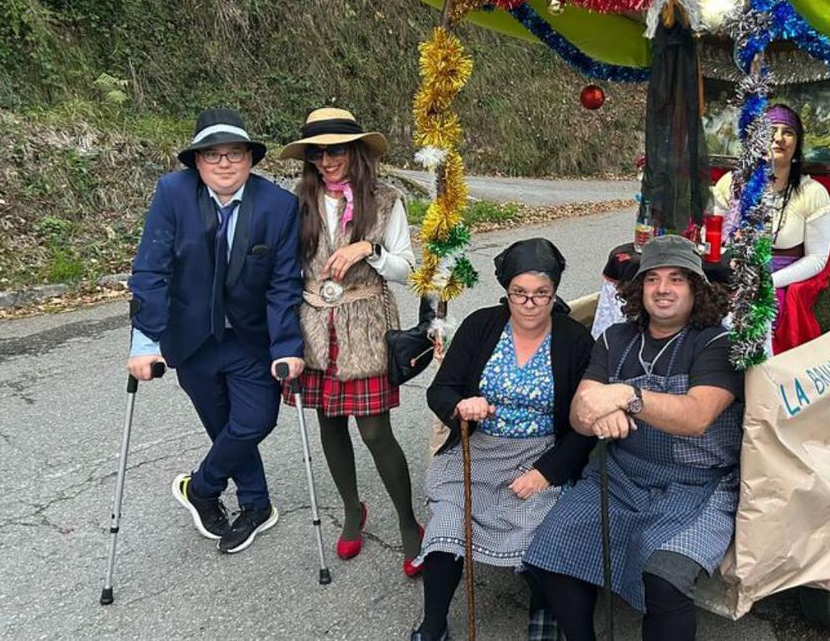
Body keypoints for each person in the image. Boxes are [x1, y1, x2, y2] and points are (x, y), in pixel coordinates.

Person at [524, 235, 743, 641]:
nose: (663, 289)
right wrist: (597, 416)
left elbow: (697, 416)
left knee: (664, 577)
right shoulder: (616, 339)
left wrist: (625, 396)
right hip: (622, 475)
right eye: (652, 279)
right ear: (637, 288)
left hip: (698, 484)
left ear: (697, 287)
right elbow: (579, 412)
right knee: (552, 549)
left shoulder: (718, 343)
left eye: (677, 279)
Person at [127, 108, 304, 554]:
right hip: (191, 339)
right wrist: (145, 343)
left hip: (249, 339)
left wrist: (287, 345)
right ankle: (256, 505)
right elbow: (152, 269)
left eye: (235, 153)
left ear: (250, 159)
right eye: (213, 155)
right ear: (197, 161)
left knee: (254, 421)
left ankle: (201, 488)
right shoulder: (173, 194)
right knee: (223, 425)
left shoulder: (279, 206)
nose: (224, 163)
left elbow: (284, 283)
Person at [412, 238, 596, 641]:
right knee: (446, 526)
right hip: (477, 450)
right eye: (520, 294)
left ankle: (545, 611)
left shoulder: (574, 340)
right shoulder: (481, 326)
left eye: (541, 294)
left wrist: (547, 473)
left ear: (554, 293)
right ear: (507, 292)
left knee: (540, 534)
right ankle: (433, 624)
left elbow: (586, 424)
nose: (530, 304)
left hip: (541, 453)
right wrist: (461, 406)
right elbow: (440, 390)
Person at [278, 107, 424, 572]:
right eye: (318, 153)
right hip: (315, 326)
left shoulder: (385, 201)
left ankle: (407, 523)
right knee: (329, 425)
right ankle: (350, 512)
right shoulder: (296, 202)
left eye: (336, 150)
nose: (327, 160)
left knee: (376, 431)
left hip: (365, 325)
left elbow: (408, 269)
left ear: (355, 151)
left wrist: (371, 249)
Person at [713, 103, 830, 351]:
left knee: (755, 318)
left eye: (788, 132)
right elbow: (716, 238)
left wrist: (768, 281)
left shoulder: (812, 193)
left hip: (777, 285)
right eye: (771, 130)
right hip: (730, 276)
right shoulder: (731, 183)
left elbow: (818, 259)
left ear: (797, 143)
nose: (778, 138)